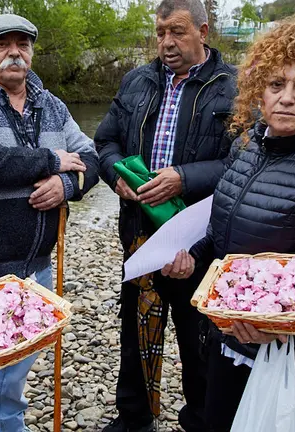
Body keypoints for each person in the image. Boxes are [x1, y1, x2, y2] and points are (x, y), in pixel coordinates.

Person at [164, 13, 295, 432]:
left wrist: (276, 327)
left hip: (282, 352)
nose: (287, 98)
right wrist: (192, 255)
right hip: (229, 332)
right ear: (260, 90)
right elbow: (221, 232)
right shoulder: (246, 146)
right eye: (277, 84)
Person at [0, 13, 99, 432]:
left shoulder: (53, 105)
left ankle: (8, 427)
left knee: (14, 373)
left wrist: (67, 185)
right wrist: (51, 160)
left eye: (22, 44)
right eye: (1, 44)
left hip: (35, 269)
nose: (14, 52)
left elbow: (91, 158)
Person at [94, 0, 236, 430]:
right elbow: (105, 143)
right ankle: (134, 418)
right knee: (135, 333)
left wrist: (184, 178)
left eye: (176, 31)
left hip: (201, 241)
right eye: (160, 33)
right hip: (140, 235)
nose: (166, 43)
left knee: (201, 341)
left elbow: (245, 162)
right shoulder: (137, 80)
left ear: (203, 31)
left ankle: (200, 420)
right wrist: (114, 175)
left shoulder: (234, 87)